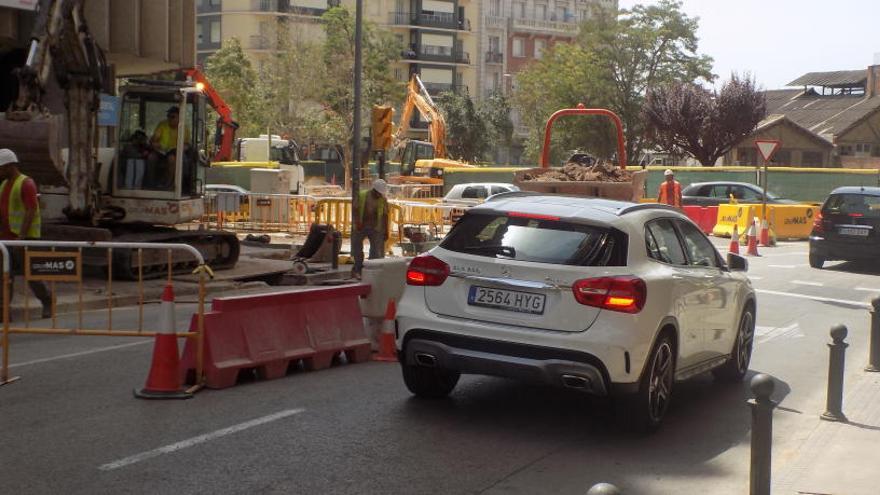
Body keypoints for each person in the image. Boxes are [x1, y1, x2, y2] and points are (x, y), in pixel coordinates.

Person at [0, 149, 52, 318]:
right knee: (5, 276)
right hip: (6, 239)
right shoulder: (3, 185)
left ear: (9, 166)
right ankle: (4, 312)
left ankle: (48, 301)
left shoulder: (26, 183)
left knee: (32, 275)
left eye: (1, 168)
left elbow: (31, 209)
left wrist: (21, 236)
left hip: (25, 238)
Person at [351, 179, 389, 279]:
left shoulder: (382, 199)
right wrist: (357, 222)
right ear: (374, 190)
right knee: (357, 249)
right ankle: (358, 269)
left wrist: (386, 230)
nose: (380, 195)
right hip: (361, 226)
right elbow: (355, 209)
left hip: (375, 228)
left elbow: (385, 215)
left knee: (376, 251)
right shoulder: (363, 196)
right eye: (379, 193)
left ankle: (372, 271)